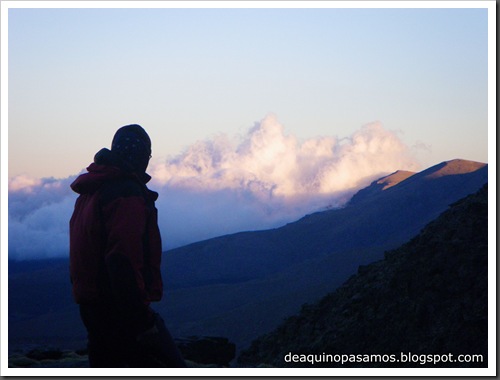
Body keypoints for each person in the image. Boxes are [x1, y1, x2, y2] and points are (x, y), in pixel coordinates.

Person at [69, 124, 186, 368]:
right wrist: (142, 321)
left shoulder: (90, 192)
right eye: (147, 154)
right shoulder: (126, 194)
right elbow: (122, 259)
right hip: (120, 313)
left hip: (91, 309)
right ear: (142, 155)